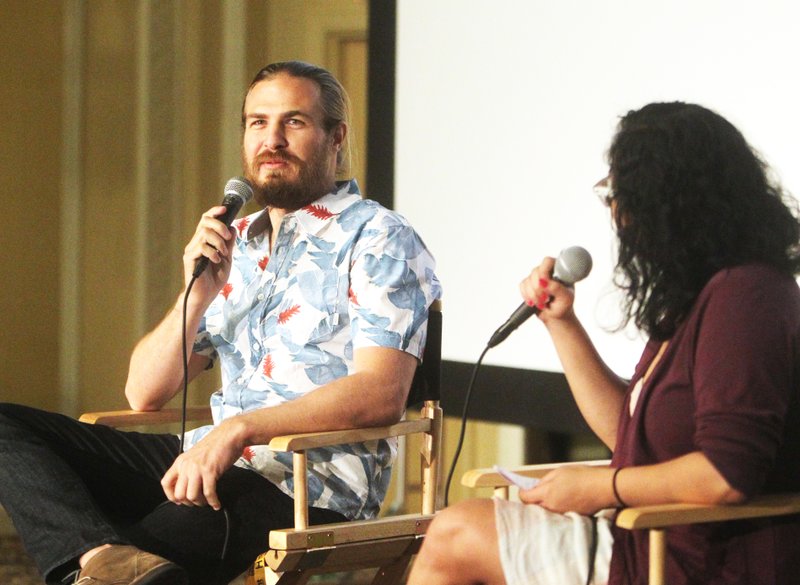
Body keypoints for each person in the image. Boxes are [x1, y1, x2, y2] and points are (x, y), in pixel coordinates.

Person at [0, 60, 440, 585]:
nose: (271, 139)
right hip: (204, 459)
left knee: (138, 571)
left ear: (336, 137)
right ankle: (97, 555)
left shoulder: (378, 236)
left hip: (302, 485)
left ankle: (105, 563)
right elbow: (145, 391)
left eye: (293, 122)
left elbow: (381, 392)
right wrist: (198, 292)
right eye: (257, 122)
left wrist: (238, 430)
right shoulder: (240, 242)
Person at [407, 101, 800, 585]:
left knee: (454, 537)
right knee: (457, 529)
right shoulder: (699, 294)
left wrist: (603, 486)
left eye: (618, 193)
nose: (615, 213)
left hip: (694, 560)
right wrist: (561, 323)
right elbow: (628, 434)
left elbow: (725, 473)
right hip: (648, 540)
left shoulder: (748, 296)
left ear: (669, 202)